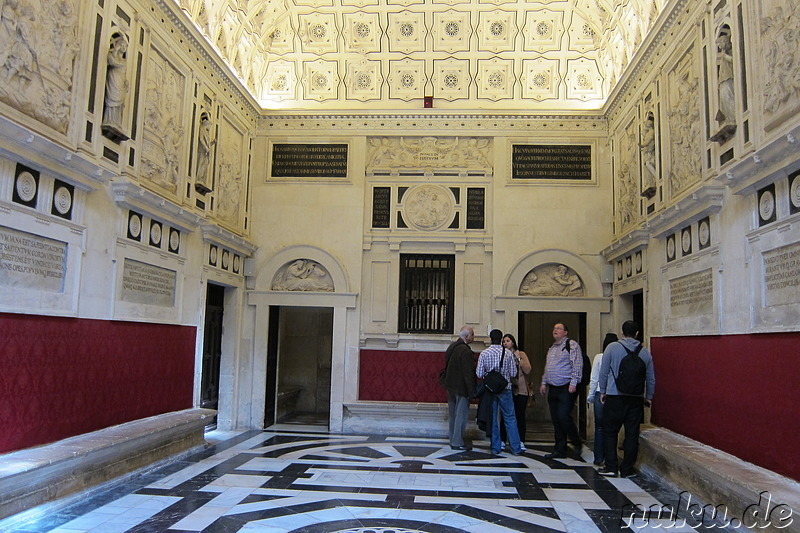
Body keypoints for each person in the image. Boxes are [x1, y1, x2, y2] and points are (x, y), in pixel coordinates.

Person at [598, 321, 656, 478]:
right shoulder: (645, 352)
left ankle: (611, 466)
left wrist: (603, 391)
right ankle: (626, 469)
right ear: (637, 333)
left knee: (610, 432)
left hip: (614, 395)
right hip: (635, 398)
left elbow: (603, 372)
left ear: (622, 332)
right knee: (631, 434)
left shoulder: (612, 348)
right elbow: (650, 378)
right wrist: (649, 396)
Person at [539, 323, 583, 459]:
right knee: (556, 419)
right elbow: (548, 367)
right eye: (554, 328)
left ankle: (576, 442)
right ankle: (560, 449)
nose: (555, 330)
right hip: (553, 388)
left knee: (563, 417)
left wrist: (574, 382)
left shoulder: (572, 345)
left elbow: (577, 364)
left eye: (558, 328)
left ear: (565, 332)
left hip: (566, 387)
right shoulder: (552, 348)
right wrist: (543, 382)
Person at [476, 329, 523, 455]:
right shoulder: (507, 353)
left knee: (493, 419)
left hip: (490, 390)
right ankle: (516, 448)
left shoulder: (484, 353)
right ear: (501, 339)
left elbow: (479, 373)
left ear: (490, 338)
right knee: (510, 418)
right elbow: (513, 373)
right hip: (505, 388)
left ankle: (496, 447)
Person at [587, 333, 618, 466]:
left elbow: (594, 378)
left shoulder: (599, 357)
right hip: (614, 394)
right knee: (611, 427)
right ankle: (610, 456)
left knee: (599, 427)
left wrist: (590, 395)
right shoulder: (618, 357)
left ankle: (598, 457)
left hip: (600, 392)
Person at [443, 326, 476, 450]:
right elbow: (468, 374)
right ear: (467, 336)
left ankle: (453, 439)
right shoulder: (465, 351)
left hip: (450, 385)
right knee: (461, 415)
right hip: (461, 387)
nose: (474, 337)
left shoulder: (452, 347)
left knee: (453, 414)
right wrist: (471, 391)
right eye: (472, 334)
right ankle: (457, 442)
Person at [499, 334, 531, 452]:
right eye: (503, 341)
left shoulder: (521, 354)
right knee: (505, 415)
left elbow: (528, 369)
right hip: (507, 388)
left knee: (520, 416)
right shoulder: (502, 354)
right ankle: (503, 440)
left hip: (521, 389)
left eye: (508, 341)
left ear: (513, 342)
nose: (505, 343)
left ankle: (521, 440)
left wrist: (518, 358)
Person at [102, 32, 129, 140]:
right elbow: (112, 61)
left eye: (124, 46)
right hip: (113, 79)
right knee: (111, 100)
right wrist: (115, 50)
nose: (123, 47)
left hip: (120, 82)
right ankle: (109, 120)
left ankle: (115, 122)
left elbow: (118, 63)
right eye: (121, 45)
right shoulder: (113, 57)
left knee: (118, 105)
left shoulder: (124, 61)